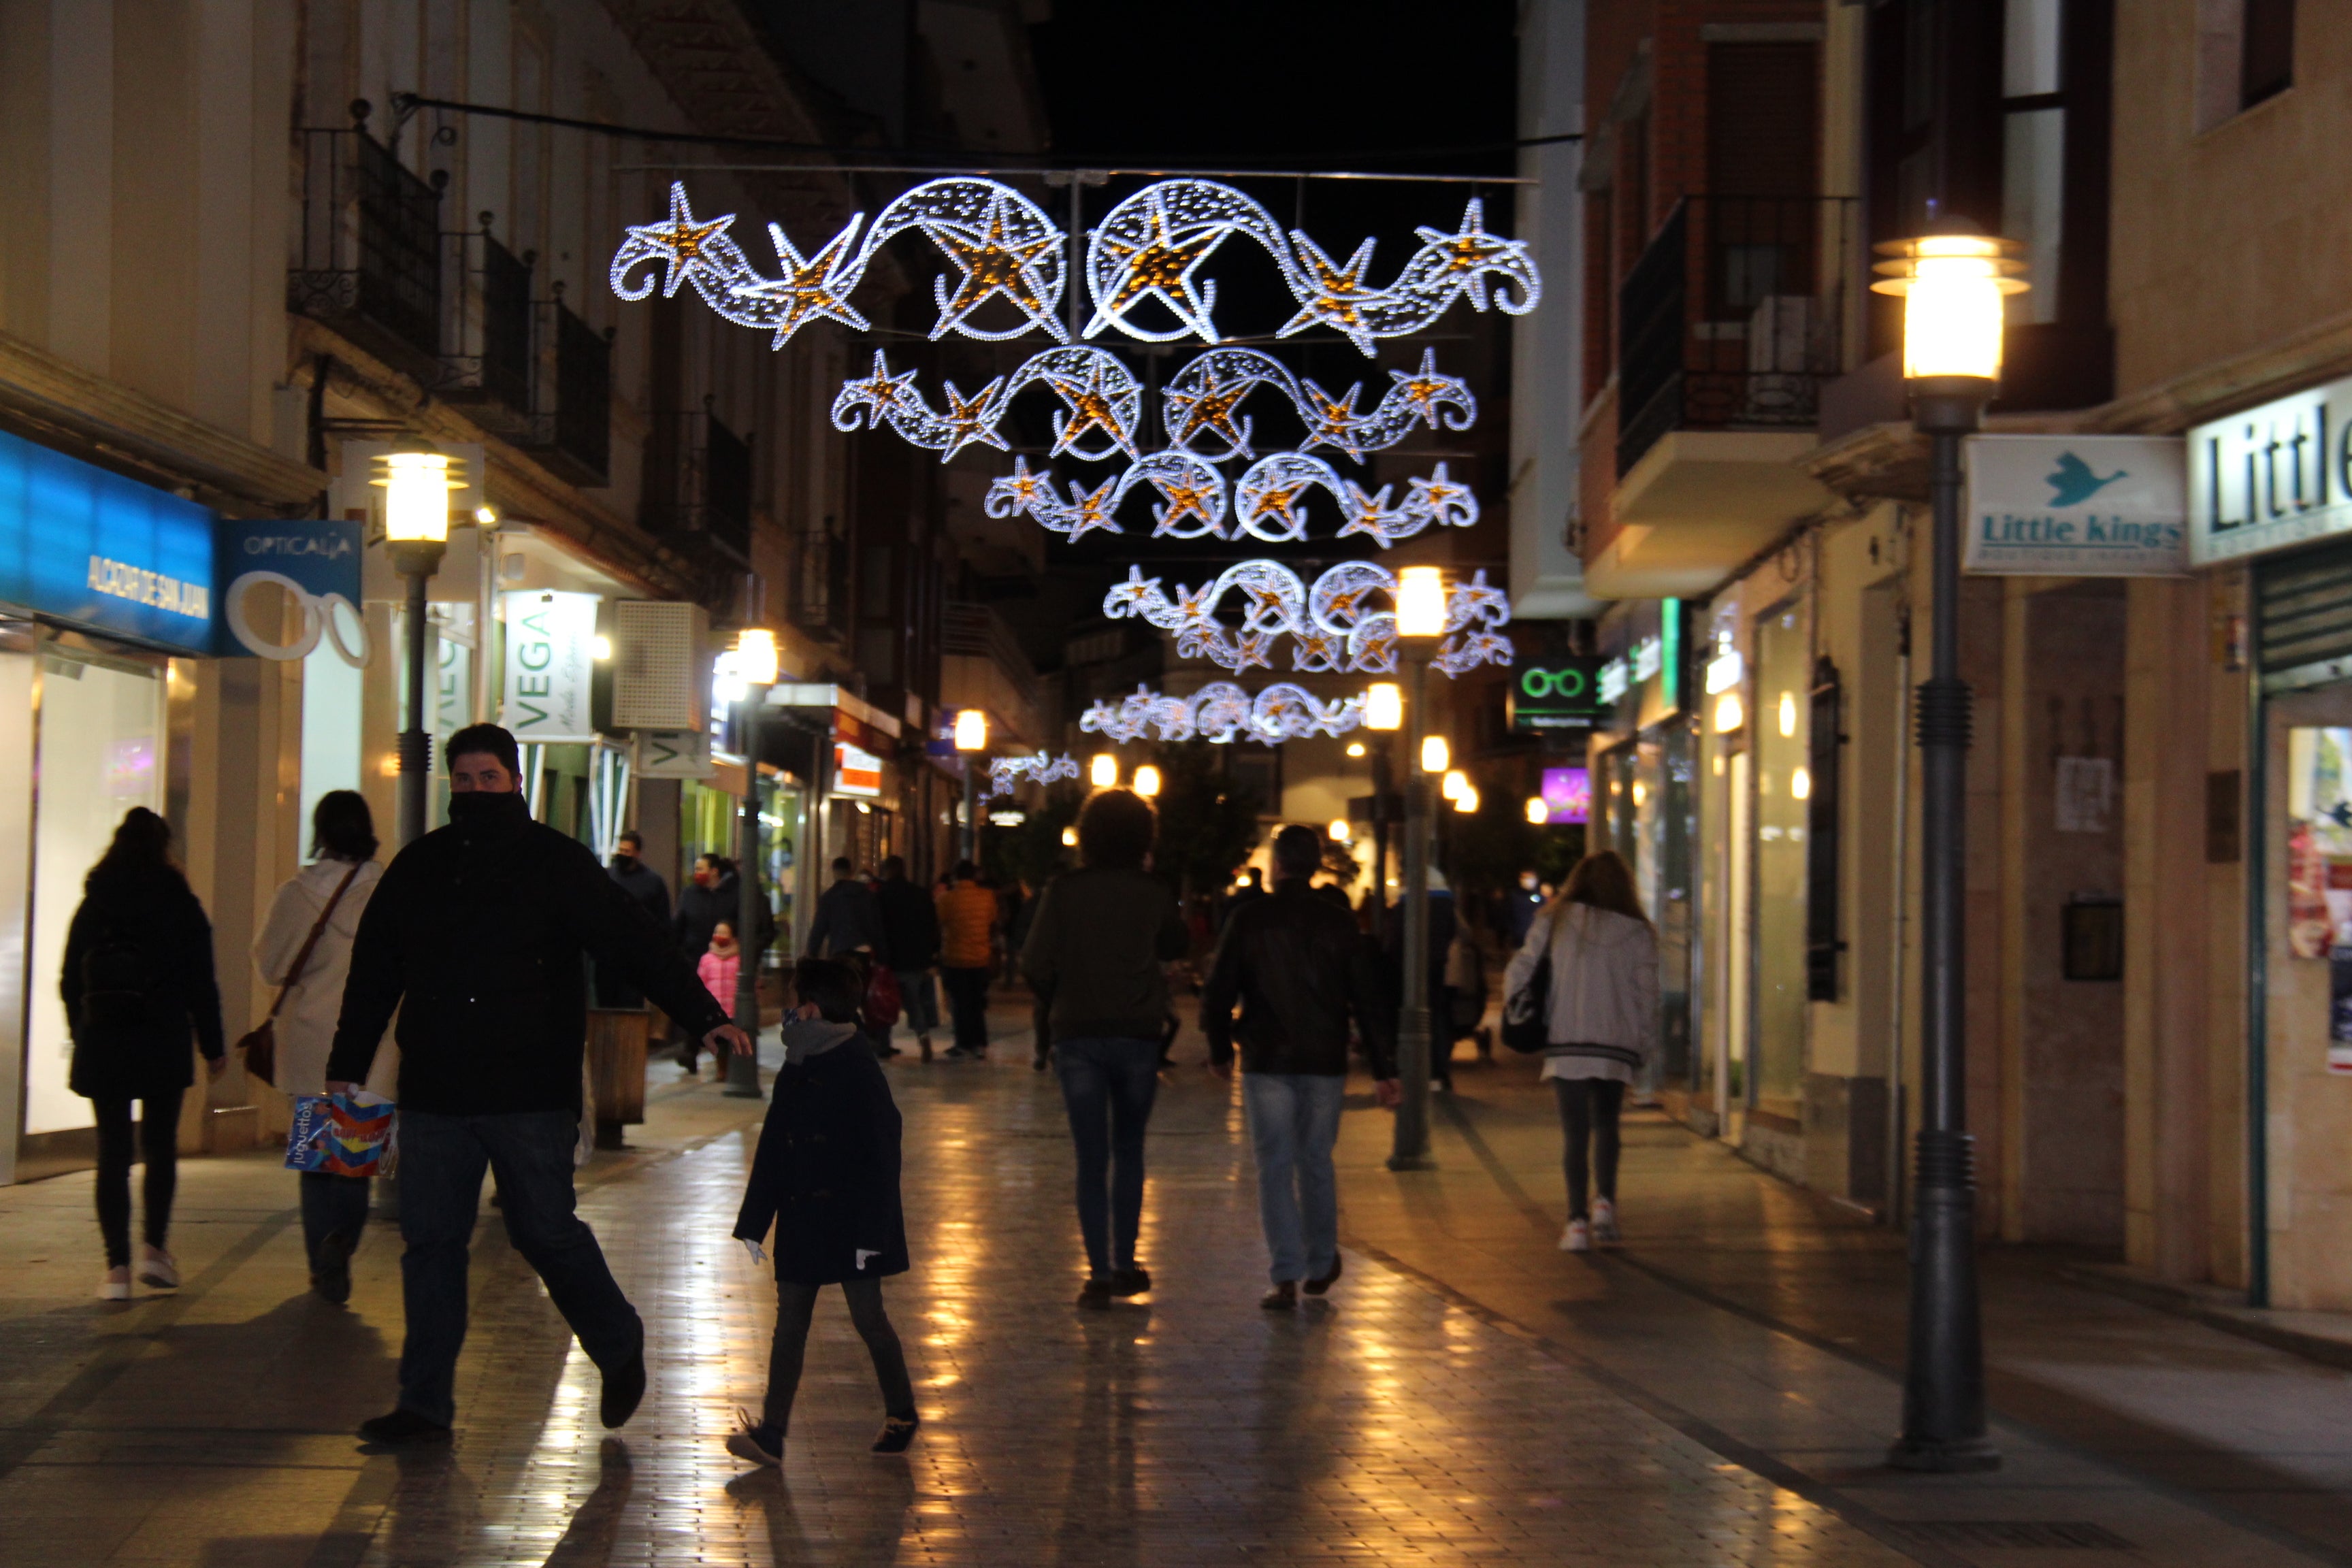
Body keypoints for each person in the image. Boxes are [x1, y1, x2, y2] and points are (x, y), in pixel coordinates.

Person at [325, 723, 750, 1445]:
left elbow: (636, 941)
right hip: (436, 1089)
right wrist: (346, 1063)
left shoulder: (558, 863)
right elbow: (374, 970)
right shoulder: (421, 867)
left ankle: (618, 1343)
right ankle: (423, 1405)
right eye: (464, 780)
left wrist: (704, 1016)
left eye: (489, 778)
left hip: (529, 1087)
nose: (476, 791)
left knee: (545, 1231)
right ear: (450, 785)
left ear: (516, 782)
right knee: (430, 1245)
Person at [1200, 826, 1399, 1311]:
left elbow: (1220, 987)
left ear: (1277, 864)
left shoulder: (1249, 919)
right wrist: (1383, 1067)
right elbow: (1367, 999)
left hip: (1267, 1057)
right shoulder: (1339, 923)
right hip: (1323, 1057)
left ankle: (1284, 1272)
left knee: (1273, 1165)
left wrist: (1219, 1048)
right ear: (1314, 865)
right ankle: (1320, 1259)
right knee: (1315, 1160)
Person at [728, 958, 916, 1467]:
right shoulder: (799, 1060)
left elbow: (882, 1153)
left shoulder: (856, 1064)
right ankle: (772, 1434)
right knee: (789, 1321)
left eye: (793, 997)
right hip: (802, 1217)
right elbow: (774, 1145)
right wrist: (754, 1223)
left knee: (869, 1318)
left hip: (852, 1221)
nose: (788, 1007)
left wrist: (874, 1232)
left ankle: (902, 1412)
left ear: (812, 1005)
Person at [1021, 790, 1188, 1307]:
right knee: (1129, 1149)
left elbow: (1034, 961)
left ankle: (1095, 1274)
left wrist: (1059, 1001)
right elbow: (1177, 946)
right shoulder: (1154, 890)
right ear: (1144, 837)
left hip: (1078, 1034)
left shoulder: (1065, 890)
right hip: (1137, 1032)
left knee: (1090, 1157)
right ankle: (1124, 1262)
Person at [61, 807, 227, 1300]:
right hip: (161, 1039)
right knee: (159, 1148)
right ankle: (154, 1249)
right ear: (163, 848)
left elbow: (70, 978)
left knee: (112, 1153)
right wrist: (213, 1047)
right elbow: (203, 982)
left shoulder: (95, 904)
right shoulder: (180, 903)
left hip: (106, 1041)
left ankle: (115, 1271)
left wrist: (83, 1028)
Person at [253, 790, 388, 1304]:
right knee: (352, 1162)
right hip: (368, 1044)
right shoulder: (386, 890)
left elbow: (269, 966)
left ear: (322, 831)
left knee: (315, 1162)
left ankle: (322, 1265)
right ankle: (342, 1243)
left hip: (311, 1041)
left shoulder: (297, 892)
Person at [1502, 849, 1659, 1254]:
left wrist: (1521, 1007)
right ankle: (1605, 1203)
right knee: (1607, 1124)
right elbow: (1647, 995)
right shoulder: (1637, 930)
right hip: (1614, 1042)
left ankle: (1576, 1223)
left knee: (1575, 1132)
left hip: (1568, 1038)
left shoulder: (1556, 921)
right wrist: (1643, 1045)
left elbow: (1521, 969)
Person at [1382, 866, 1460, 1091]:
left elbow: (1395, 939)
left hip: (1407, 968)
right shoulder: (1446, 905)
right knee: (1435, 1017)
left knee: (1407, 1017)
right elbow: (1452, 932)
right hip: (1437, 966)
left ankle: (1408, 1070)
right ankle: (1437, 1071)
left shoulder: (1405, 904)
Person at [875, 856, 942, 1062]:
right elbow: (933, 926)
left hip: (890, 959)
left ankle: (884, 1045)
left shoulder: (882, 895)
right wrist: (933, 953)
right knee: (914, 1002)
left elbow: (877, 927)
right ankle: (923, 1036)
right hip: (916, 959)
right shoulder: (921, 894)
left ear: (887, 871)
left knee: (883, 999)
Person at [596, 830, 670, 1008]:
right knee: (605, 1004)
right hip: (607, 955)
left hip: (637, 957)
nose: (622, 855)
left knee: (630, 1007)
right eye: (620, 850)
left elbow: (662, 921)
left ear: (637, 854)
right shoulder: (606, 876)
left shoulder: (653, 882)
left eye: (627, 851)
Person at [936, 862, 997, 1060]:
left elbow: (940, 922)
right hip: (980, 957)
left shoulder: (947, 899)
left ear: (956, 877)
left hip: (955, 957)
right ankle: (980, 1043)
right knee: (977, 1002)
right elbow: (992, 920)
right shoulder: (987, 897)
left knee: (959, 1003)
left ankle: (963, 1043)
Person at [807, 855, 885, 960]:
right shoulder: (866, 894)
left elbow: (819, 929)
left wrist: (812, 954)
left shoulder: (829, 897)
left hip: (839, 950)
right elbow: (876, 926)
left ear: (834, 872)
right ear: (851, 872)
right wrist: (882, 955)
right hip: (863, 950)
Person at [699, 921, 742, 1013]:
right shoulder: (706, 959)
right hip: (712, 1011)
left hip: (734, 1013)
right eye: (717, 932)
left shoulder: (738, 960)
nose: (719, 936)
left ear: (732, 937)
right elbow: (700, 985)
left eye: (723, 933)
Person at [1507, 869, 1545, 949]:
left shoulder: (1541, 898)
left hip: (1537, 941)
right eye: (1526, 878)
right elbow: (1508, 917)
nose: (1529, 881)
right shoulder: (1513, 897)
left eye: (1531, 878)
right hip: (1517, 941)